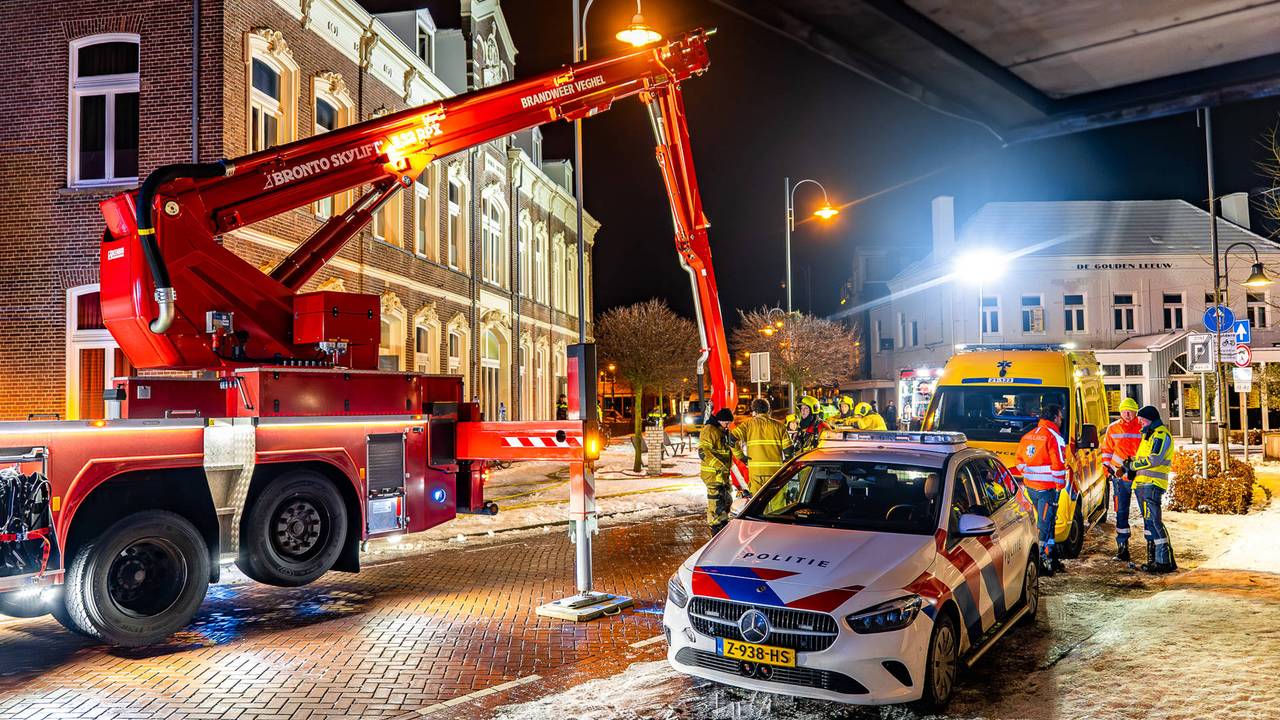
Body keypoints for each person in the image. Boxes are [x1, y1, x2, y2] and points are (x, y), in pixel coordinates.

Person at [1015, 404, 1079, 576]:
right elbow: (1058, 466)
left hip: (1031, 488)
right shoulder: (1054, 437)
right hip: (1047, 489)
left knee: (1047, 524)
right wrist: (1059, 487)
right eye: (1060, 416)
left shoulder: (1028, 436)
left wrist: (1030, 474)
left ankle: (1051, 557)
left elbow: (1019, 462)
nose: (1061, 419)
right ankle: (1042, 561)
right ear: (1055, 418)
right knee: (1045, 526)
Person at [1124, 405, 1177, 573]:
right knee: (1150, 522)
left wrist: (1132, 465)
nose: (1140, 424)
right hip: (1144, 484)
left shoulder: (1160, 435)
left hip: (1152, 485)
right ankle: (1157, 559)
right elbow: (1144, 459)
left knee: (1154, 522)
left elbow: (1154, 459)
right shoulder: (1150, 435)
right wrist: (1131, 465)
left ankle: (1163, 561)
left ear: (1150, 420)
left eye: (1141, 421)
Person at [1101, 397, 1143, 560]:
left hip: (1138, 476)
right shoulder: (1113, 428)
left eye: (1130, 411)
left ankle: (1152, 547)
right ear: (1120, 412)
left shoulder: (1142, 427)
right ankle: (1122, 547)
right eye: (1124, 411)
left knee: (1145, 511)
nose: (1127, 414)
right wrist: (1108, 470)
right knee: (1121, 512)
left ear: (1135, 412)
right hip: (1119, 477)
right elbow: (1106, 450)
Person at [731, 398, 791, 495]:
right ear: (769, 410)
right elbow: (789, 450)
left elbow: (732, 439)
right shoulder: (779, 426)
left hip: (756, 472)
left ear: (754, 411)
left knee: (757, 504)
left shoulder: (747, 425)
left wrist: (741, 456)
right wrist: (786, 463)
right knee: (778, 504)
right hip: (775, 473)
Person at [699, 408, 737, 534]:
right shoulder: (709, 430)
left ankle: (723, 524)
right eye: (726, 423)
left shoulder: (722, 431)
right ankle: (716, 528)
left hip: (722, 475)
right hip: (713, 475)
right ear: (720, 420)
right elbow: (703, 451)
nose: (728, 426)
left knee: (726, 500)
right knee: (715, 504)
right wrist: (719, 465)